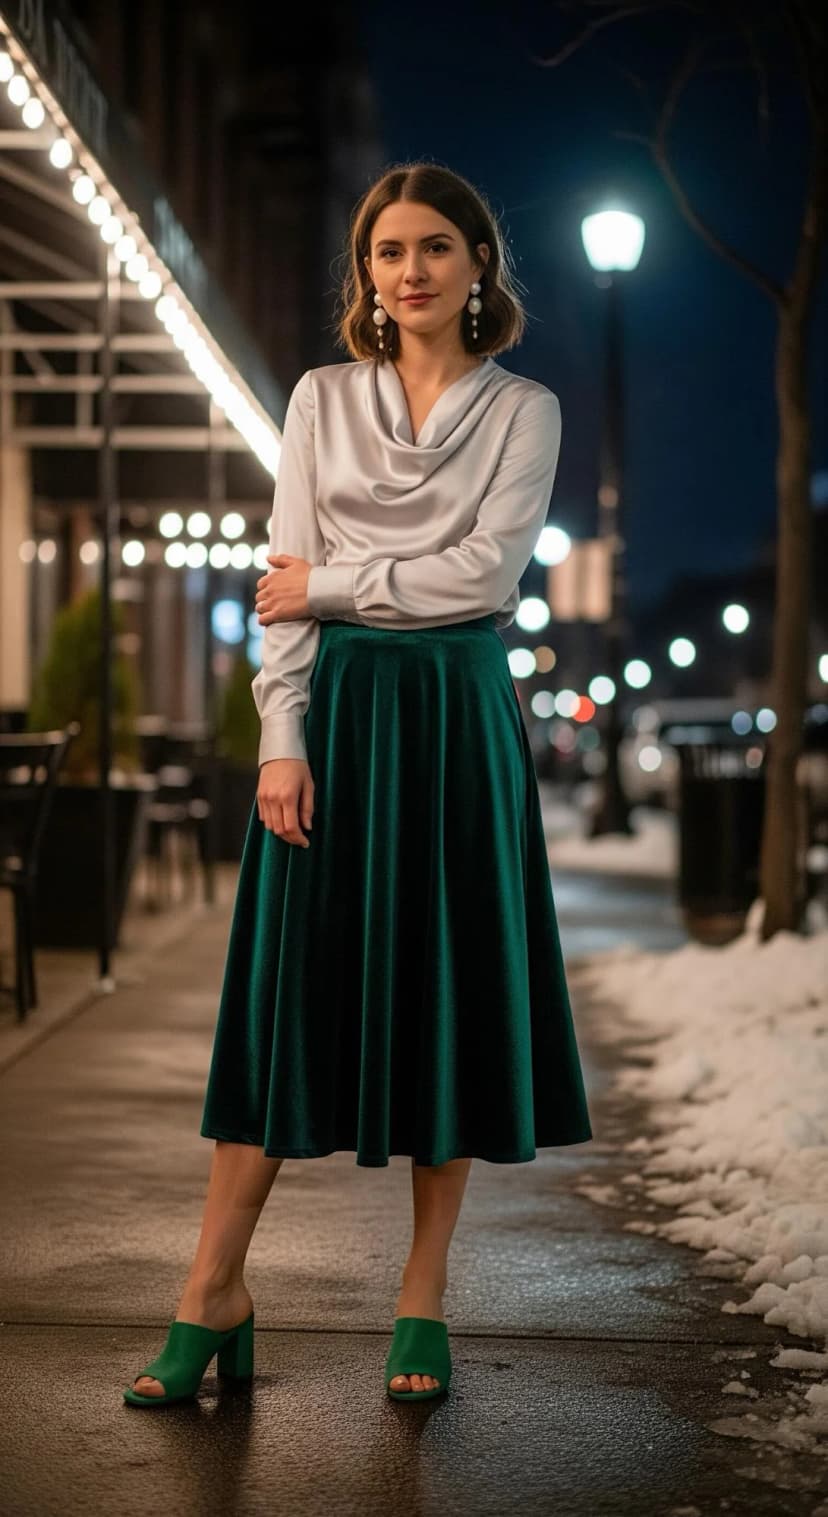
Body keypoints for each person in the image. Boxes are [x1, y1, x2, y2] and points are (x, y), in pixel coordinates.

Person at [122, 161, 593, 1411]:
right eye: (390, 251)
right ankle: (212, 1286)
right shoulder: (322, 400)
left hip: (451, 716)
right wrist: (282, 736)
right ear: (367, 274)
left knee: (444, 992)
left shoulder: (524, 411)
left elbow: (481, 581)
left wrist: (331, 583)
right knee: (287, 1000)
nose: (414, 269)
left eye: (438, 245)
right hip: (334, 714)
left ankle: (423, 1293)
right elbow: (287, 586)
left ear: (479, 265)